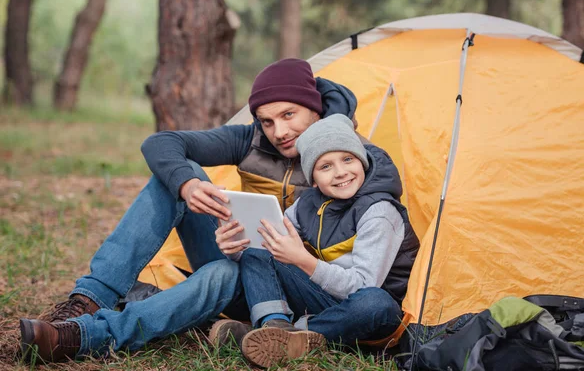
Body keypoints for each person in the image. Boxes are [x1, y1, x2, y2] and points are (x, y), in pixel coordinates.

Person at [18, 58, 359, 363]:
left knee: (221, 275)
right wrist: (188, 186)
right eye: (267, 121)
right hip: (244, 258)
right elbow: (160, 143)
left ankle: (87, 336)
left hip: (297, 284)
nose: (279, 132)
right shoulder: (252, 140)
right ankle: (88, 300)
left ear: (313, 106)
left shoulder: (346, 156)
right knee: (177, 177)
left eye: (289, 115)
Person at [214, 114, 420, 368]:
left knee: (375, 303)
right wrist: (234, 248)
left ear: (362, 161)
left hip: (370, 314)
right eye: (325, 166)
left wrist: (304, 261)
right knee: (262, 245)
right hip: (326, 298)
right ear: (313, 179)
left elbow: (363, 285)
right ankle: (273, 324)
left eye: (347, 159)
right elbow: (270, 246)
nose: (341, 172)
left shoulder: (379, 211)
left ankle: (288, 335)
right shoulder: (307, 203)